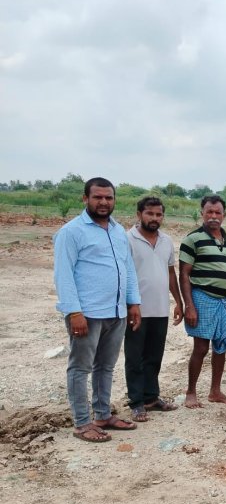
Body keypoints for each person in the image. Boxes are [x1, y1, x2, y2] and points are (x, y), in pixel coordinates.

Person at [53, 177, 141, 442]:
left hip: (116, 312)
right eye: (98, 197)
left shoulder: (117, 231)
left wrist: (133, 302)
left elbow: (127, 269)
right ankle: (82, 423)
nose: (103, 202)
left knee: (105, 366)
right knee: (80, 368)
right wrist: (74, 312)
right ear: (85, 199)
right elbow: (63, 275)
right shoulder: (72, 232)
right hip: (87, 314)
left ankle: (102, 414)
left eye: (109, 197)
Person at [179, 195, 226, 408]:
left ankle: (215, 392)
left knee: (221, 346)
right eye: (209, 212)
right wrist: (189, 305)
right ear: (202, 213)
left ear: (224, 215)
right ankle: (191, 392)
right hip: (202, 298)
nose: (213, 216)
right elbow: (184, 274)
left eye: (218, 213)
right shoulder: (193, 239)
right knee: (200, 347)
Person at [124, 196, 183, 423]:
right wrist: (130, 304)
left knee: (154, 356)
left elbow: (171, 273)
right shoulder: (127, 239)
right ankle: (136, 403)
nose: (154, 218)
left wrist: (178, 301)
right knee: (135, 357)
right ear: (139, 214)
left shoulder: (166, 241)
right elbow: (125, 274)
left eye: (159, 214)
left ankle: (151, 397)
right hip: (136, 310)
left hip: (160, 309)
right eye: (150, 214)